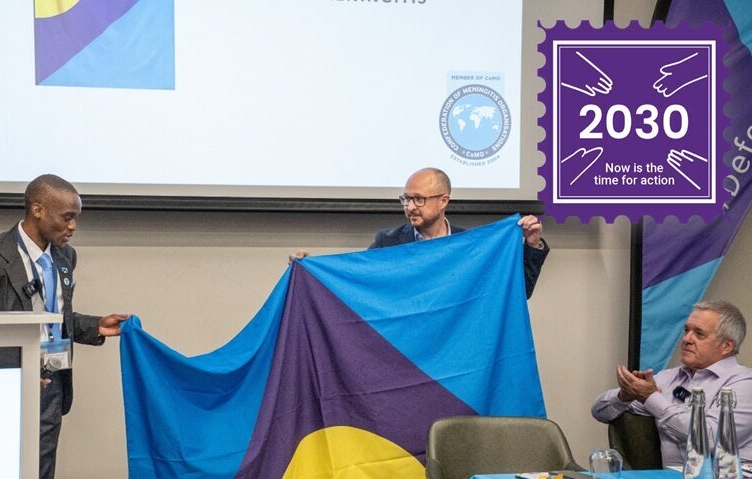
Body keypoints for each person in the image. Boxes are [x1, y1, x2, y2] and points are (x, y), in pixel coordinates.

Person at [0, 174, 131, 479]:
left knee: (41, 468)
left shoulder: (66, 256)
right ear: (38, 210)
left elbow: (54, 315)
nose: (73, 227)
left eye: (76, 219)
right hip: (3, 384)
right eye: (67, 217)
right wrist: (11, 368)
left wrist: (95, 326)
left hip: (51, 382)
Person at [291, 167, 549, 298]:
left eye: (419, 199)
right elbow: (355, 281)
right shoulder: (388, 243)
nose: (410, 207)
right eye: (406, 199)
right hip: (404, 357)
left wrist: (531, 246)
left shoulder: (469, 247)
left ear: (444, 200)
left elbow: (516, 292)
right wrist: (311, 269)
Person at [592, 300, 752, 468]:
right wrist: (623, 396)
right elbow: (600, 412)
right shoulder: (670, 378)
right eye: (686, 330)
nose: (687, 339)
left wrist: (650, 397)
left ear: (726, 346)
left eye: (699, 334)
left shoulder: (744, 384)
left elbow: (708, 439)